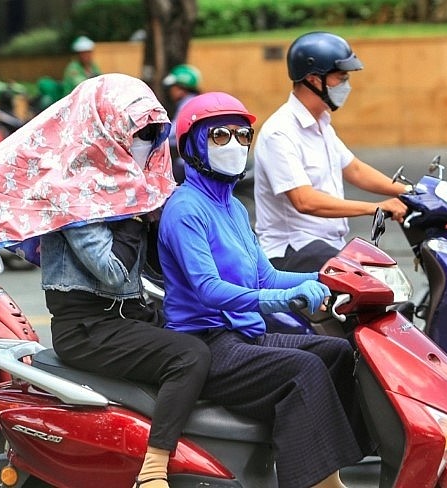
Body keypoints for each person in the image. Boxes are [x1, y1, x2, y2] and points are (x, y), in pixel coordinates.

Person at [158, 91, 368, 488]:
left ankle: (333, 473)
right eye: (220, 135)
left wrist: (328, 278)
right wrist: (282, 299)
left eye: (242, 136)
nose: (235, 145)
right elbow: (208, 290)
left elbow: (265, 276)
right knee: (304, 369)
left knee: (340, 353)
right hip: (210, 344)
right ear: (193, 146)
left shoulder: (234, 207)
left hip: (245, 335)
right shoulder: (185, 209)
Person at [38, 75, 209, 488]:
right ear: (108, 131)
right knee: (190, 356)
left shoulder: (125, 186)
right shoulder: (74, 190)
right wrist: (136, 216)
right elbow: (113, 273)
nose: (146, 144)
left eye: (153, 135)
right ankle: (152, 469)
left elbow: (151, 268)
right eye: (139, 134)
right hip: (88, 328)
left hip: (128, 314)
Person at [253, 31, 408, 272]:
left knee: (379, 280)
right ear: (314, 79)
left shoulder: (321, 123)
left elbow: (354, 169)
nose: (347, 85)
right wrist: (375, 208)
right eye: (341, 77)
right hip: (291, 251)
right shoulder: (280, 132)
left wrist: (410, 193)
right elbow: (304, 201)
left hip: (325, 247)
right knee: (377, 284)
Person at [162, 64, 202, 183]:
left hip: (189, 162)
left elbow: (174, 132)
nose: (171, 91)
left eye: (173, 87)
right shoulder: (194, 101)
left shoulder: (188, 104)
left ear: (181, 88)